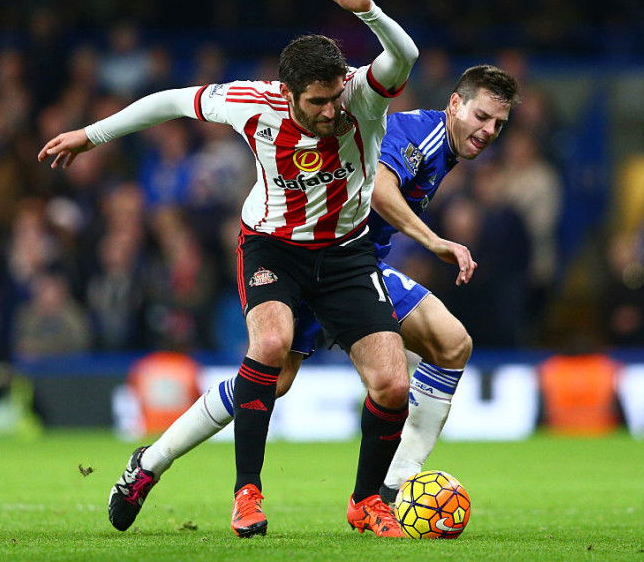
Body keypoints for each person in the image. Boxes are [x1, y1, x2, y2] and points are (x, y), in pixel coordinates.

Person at [39, 0, 418, 538]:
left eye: (335, 96)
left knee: (392, 384)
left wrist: (369, 12)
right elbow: (169, 101)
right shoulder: (250, 102)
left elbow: (405, 54)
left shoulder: (361, 93)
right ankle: (246, 494)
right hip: (274, 247)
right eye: (316, 102)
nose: (331, 111)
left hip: (345, 253)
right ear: (287, 92)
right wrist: (91, 136)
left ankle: (366, 502)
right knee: (268, 347)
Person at [98, 65, 520, 525]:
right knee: (271, 380)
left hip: (357, 266)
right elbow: (380, 186)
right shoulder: (420, 135)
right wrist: (434, 241)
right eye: (482, 117)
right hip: (315, 257)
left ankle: (395, 485)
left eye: (498, 124)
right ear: (455, 104)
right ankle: (152, 462)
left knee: (451, 344)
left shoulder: (447, 149)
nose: (488, 131)